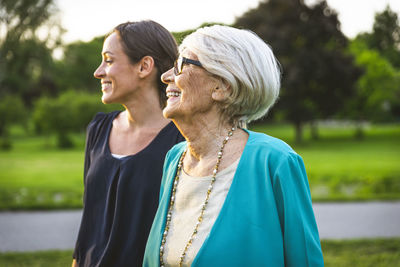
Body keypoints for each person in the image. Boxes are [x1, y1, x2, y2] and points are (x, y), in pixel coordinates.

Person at [143, 25, 324, 267]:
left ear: (222, 86)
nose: (166, 76)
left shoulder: (275, 161)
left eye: (180, 65)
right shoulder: (174, 159)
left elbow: (304, 260)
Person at [72, 20, 184, 267]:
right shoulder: (98, 129)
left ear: (144, 66)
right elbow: (89, 221)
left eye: (109, 60)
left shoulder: (183, 140)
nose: (98, 71)